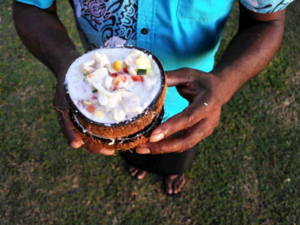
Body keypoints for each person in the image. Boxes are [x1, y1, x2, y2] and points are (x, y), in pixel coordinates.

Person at [13, 0, 293, 195]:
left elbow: (266, 22)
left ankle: (174, 172)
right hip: (102, 104)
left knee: (176, 153)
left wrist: (224, 82)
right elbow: (30, 5)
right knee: (128, 150)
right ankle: (139, 163)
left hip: (184, 105)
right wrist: (65, 63)